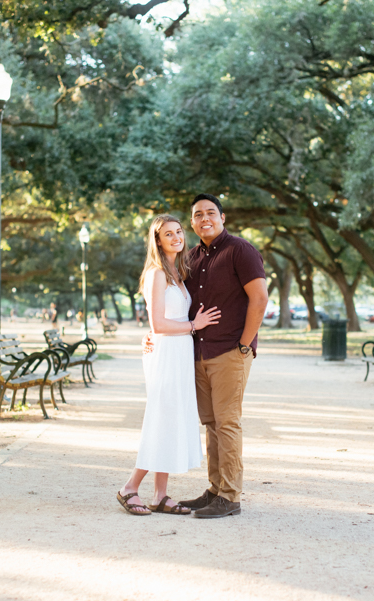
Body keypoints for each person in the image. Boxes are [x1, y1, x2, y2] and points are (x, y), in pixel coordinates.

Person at [148, 194, 267, 519]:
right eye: (198, 215)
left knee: (227, 423)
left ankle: (230, 496)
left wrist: (245, 344)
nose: (204, 218)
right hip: (199, 354)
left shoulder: (240, 250)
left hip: (230, 351)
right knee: (212, 424)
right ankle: (215, 489)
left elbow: (259, 299)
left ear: (222, 217)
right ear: (193, 222)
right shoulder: (192, 257)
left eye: (210, 213)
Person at [117, 215, 221, 516]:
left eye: (178, 232)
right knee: (161, 419)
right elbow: (158, 324)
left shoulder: (178, 271)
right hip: (165, 354)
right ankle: (129, 488)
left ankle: (161, 495)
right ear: (158, 240)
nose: (176, 237)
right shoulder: (156, 273)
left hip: (180, 353)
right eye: (168, 234)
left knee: (172, 418)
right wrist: (194, 324)